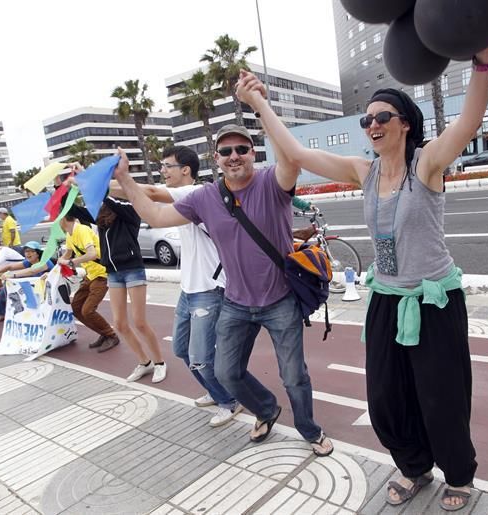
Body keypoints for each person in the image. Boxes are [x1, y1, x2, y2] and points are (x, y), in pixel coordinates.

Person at [235, 26, 488, 510]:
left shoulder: (426, 166)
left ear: (404, 123)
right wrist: (260, 105)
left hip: (432, 302)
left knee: (441, 396)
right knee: (386, 397)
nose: (372, 125)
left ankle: (459, 474)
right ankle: (414, 466)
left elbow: (466, 125)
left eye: (382, 116)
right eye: (366, 119)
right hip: (385, 298)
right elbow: (297, 154)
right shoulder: (363, 172)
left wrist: (483, 65)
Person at [111, 124, 333, 456]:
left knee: (293, 375)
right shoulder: (205, 197)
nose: (234, 156)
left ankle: (310, 430)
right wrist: (126, 178)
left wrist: (259, 107)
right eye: (226, 151)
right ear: (216, 159)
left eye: (242, 149)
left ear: (252, 154)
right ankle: (265, 409)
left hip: (280, 301)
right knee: (225, 372)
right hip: (236, 301)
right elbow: (156, 215)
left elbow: (292, 160)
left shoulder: (272, 182)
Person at [109, 145, 241, 427]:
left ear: (185, 170)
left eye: (167, 166)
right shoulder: (181, 199)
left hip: (209, 289)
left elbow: (152, 193)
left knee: (202, 357)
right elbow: (146, 200)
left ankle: (229, 401)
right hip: (189, 289)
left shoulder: (195, 193)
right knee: (182, 350)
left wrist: (110, 180)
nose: (162, 171)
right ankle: (216, 390)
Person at [68, 171, 166, 383]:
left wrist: (94, 184)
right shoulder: (102, 216)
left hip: (132, 269)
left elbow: (109, 200)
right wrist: (63, 189)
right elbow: (75, 210)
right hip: (113, 273)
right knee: (120, 324)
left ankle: (159, 362)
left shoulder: (130, 211)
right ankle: (144, 362)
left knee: (139, 322)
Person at [54, 216, 121, 353]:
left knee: (87, 310)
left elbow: (92, 254)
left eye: (57, 219)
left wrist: (72, 262)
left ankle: (111, 335)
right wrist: (58, 263)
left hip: (102, 274)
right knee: (76, 308)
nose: (56, 222)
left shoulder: (82, 230)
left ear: (63, 219)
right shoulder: (70, 234)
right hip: (90, 275)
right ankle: (104, 333)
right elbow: (68, 253)